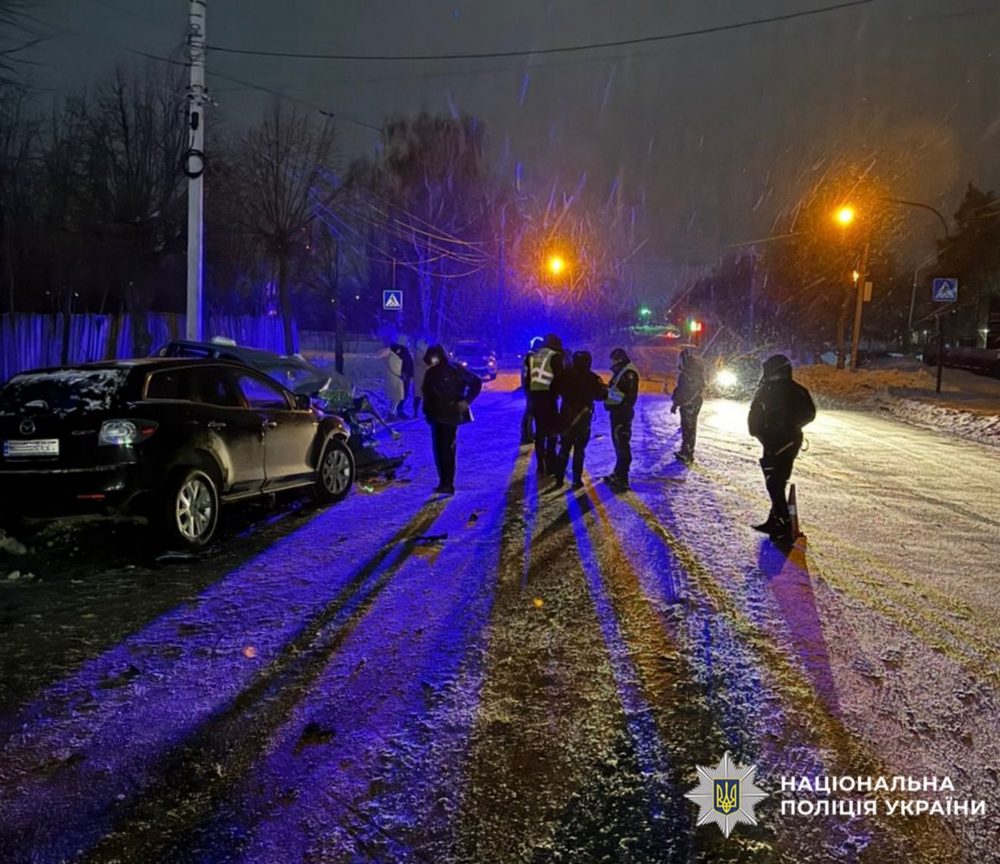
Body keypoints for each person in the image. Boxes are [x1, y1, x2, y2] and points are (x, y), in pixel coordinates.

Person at [747, 354, 816, 544]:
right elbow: (756, 414)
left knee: (775, 483)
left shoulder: (793, 391)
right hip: (770, 442)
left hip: (786, 443)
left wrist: (787, 426)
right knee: (775, 482)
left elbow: (809, 413)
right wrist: (760, 431)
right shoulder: (768, 390)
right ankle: (775, 520)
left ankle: (784, 525)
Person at [421, 344, 482, 495]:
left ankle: (447, 483)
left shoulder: (453, 369)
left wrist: (466, 401)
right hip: (438, 415)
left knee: (445, 449)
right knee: (441, 449)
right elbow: (427, 393)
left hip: (448, 414)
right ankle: (444, 481)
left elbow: (476, 382)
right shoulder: (433, 372)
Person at [551, 350, 608, 490]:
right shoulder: (592, 378)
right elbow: (602, 396)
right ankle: (576, 480)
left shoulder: (564, 375)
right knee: (579, 450)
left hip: (566, 417)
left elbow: (553, 389)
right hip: (583, 418)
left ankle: (559, 478)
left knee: (564, 448)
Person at [525, 333, 564, 475]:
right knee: (552, 432)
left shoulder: (533, 356)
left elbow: (528, 379)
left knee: (540, 433)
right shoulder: (555, 356)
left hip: (536, 399)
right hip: (549, 399)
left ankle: (540, 465)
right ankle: (551, 463)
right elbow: (559, 379)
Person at [603, 347, 639, 490]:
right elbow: (617, 390)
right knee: (619, 444)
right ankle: (618, 472)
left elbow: (627, 396)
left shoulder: (628, 373)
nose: (611, 363)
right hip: (618, 412)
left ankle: (622, 477)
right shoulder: (623, 371)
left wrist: (615, 404)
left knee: (622, 444)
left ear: (619, 359)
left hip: (622, 414)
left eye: (613, 360)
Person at [671, 348, 706, 463]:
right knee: (689, 427)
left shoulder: (690, 372)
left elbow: (686, 390)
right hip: (692, 402)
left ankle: (687, 452)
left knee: (688, 428)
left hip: (690, 403)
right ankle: (687, 451)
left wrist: (680, 402)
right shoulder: (692, 370)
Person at [520, 336, 543, 445]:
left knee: (531, 411)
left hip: (530, 387)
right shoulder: (532, 356)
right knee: (530, 411)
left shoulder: (529, 356)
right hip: (532, 388)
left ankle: (528, 434)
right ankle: (527, 435)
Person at [390, 338, 414, 419]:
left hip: (406, 375)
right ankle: (392, 412)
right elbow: (395, 363)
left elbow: (409, 362)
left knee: (404, 394)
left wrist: (411, 373)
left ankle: (399, 411)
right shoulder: (398, 350)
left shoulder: (405, 350)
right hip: (401, 376)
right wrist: (401, 373)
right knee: (398, 395)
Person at [384, 342, 405, 419]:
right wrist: (400, 374)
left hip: (397, 379)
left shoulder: (394, 356)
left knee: (396, 397)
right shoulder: (392, 357)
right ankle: (391, 413)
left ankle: (392, 412)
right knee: (396, 397)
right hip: (395, 379)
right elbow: (394, 368)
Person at [412, 337, 429, 417]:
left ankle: (424, 411)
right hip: (419, 378)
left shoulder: (423, 353)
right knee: (418, 396)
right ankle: (415, 412)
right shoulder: (418, 353)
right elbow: (425, 363)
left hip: (424, 378)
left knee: (424, 396)